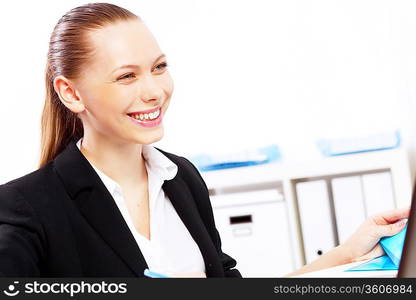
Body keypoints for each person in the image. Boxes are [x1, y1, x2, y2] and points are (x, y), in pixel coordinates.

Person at [0, 2, 409, 278]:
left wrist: (348, 254)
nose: (154, 91)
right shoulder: (25, 209)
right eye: (127, 76)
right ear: (71, 93)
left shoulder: (181, 179)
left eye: (159, 68)